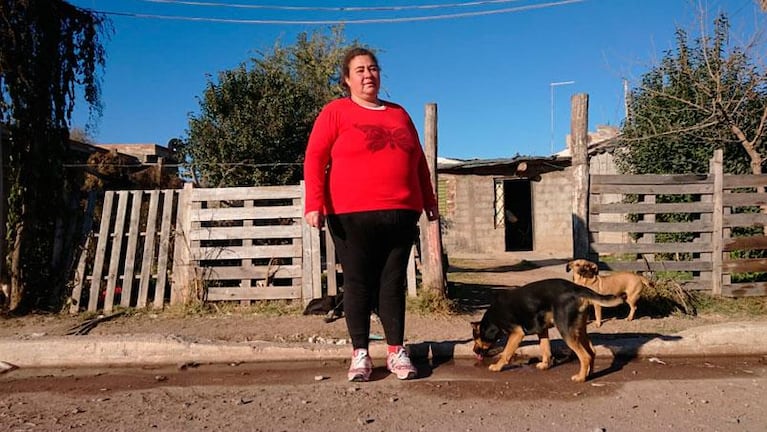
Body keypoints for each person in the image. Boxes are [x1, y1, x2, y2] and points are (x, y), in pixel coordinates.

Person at [303, 47, 439, 382]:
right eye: (360, 70)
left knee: (393, 284)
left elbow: (419, 161)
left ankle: (396, 352)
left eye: (373, 68)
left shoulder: (399, 114)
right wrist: (313, 203)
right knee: (358, 283)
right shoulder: (336, 112)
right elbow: (315, 157)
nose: (368, 74)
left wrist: (429, 200)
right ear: (347, 79)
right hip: (350, 215)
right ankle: (360, 354)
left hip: (401, 212)